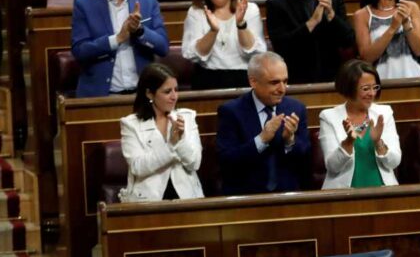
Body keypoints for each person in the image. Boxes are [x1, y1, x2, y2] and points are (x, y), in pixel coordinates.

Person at [70, 0, 169, 98]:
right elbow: (80, 51)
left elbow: (163, 47)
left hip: (142, 96)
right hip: (102, 96)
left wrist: (140, 31)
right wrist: (116, 39)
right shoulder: (84, 4)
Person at [216, 51, 312, 195]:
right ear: (253, 82)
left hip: (288, 196)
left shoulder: (296, 108)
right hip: (245, 196)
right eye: (274, 82)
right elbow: (227, 161)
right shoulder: (231, 112)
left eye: (285, 81)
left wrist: (289, 141)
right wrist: (261, 140)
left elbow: (305, 161)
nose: (282, 89)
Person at [266, 0, 355, 84]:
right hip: (296, 81)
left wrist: (332, 16)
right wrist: (311, 23)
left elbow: (349, 40)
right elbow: (282, 47)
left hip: (332, 79)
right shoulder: (277, 5)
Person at [118, 63, 204, 202]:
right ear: (149, 94)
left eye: (176, 90)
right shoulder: (131, 124)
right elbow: (138, 167)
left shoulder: (187, 117)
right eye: (167, 91)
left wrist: (180, 141)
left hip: (187, 197)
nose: (174, 96)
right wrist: (171, 145)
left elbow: (194, 163)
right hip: (148, 200)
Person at [181, 0, 267, 90]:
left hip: (244, 78)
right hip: (207, 78)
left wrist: (241, 24)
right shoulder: (196, 12)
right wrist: (213, 31)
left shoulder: (249, 9)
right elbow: (193, 55)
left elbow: (255, 53)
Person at [320, 60, 401, 189]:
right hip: (343, 195)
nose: (372, 93)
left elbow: (394, 162)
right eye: (365, 88)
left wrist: (379, 143)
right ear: (348, 88)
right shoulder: (329, 117)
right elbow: (332, 166)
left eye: (375, 87)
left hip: (383, 191)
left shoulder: (384, 113)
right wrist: (348, 141)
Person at [352, 0, 420, 80]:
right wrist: (392, 28)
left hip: (413, 77)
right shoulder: (362, 15)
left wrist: (406, 23)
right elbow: (366, 57)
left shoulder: (411, 8)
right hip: (381, 80)